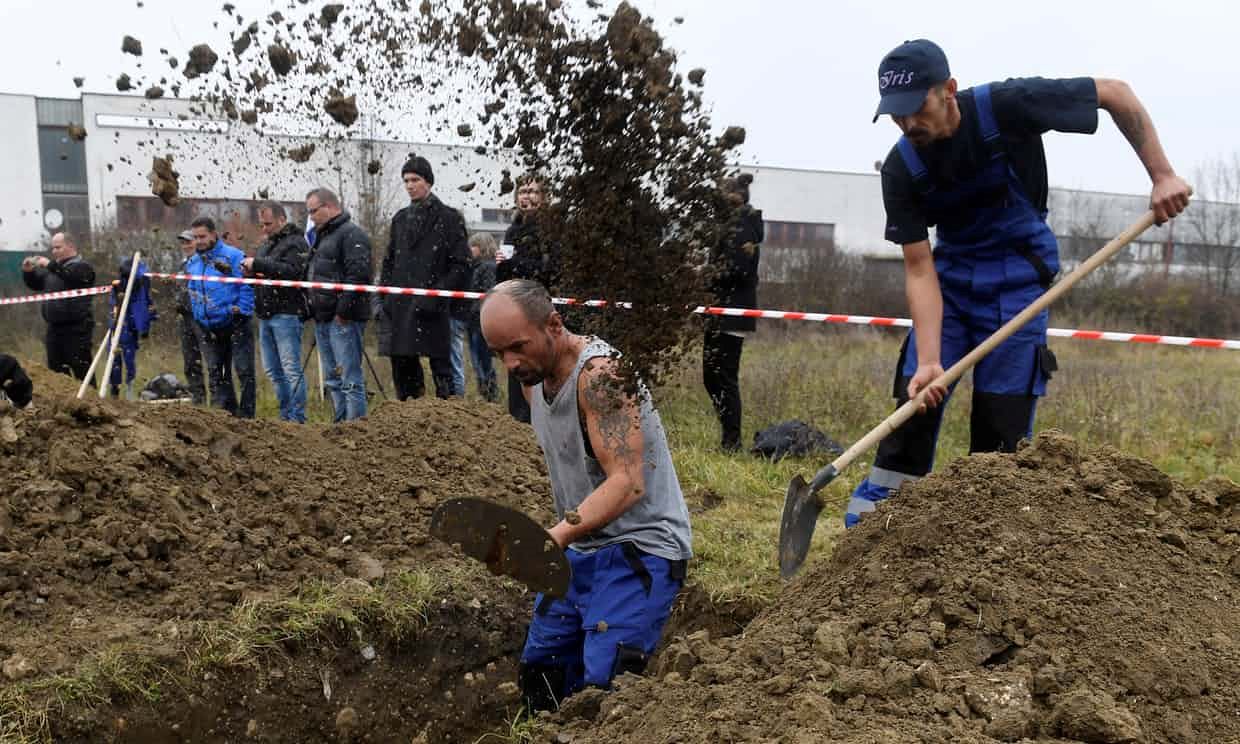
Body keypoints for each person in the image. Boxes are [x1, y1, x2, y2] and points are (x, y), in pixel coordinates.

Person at [846, 39, 1192, 527]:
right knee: (913, 408)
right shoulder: (902, 167)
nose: (908, 124)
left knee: (1000, 432)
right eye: (896, 115)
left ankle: (984, 544)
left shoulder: (1006, 106)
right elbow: (920, 268)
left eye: (916, 108)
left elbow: (1116, 92)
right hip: (951, 287)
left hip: (1016, 288)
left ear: (948, 90)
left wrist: (1162, 175)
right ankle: (875, 535)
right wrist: (928, 361)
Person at [479, 279, 692, 713]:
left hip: (641, 548)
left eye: (517, 346)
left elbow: (628, 482)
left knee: (604, 689)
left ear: (554, 324)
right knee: (543, 674)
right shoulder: (532, 378)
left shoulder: (601, 377)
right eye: (498, 353)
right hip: (583, 548)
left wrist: (555, 536)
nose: (510, 363)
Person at [380, 155, 472, 401]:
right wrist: (385, 296)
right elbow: (389, 261)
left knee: (444, 375)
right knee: (404, 373)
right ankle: (410, 421)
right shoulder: (399, 219)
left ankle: (449, 419)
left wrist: (438, 295)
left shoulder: (449, 218)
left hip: (434, 306)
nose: (410, 185)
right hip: (400, 305)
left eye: (415, 179)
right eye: (406, 180)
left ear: (428, 182)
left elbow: (461, 265)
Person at [703, 174, 763, 453]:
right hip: (720, 311)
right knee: (711, 376)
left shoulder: (742, 226)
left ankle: (732, 442)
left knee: (724, 377)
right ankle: (728, 436)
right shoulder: (728, 225)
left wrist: (706, 275)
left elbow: (739, 270)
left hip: (732, 312)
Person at [496, 173, 560, 422]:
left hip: (543, 307)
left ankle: (548, 420)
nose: (527, 197)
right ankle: (520, 420)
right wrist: (501, 264)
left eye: (533, 191)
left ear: (544, 197)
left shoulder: (552, 228)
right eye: (523, 191)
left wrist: (515, 263)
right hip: (516, 307)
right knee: (518, 365)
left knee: (543, 366)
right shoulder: (513, 230)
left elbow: (550, 268)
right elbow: (504, 275)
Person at [305, 187, 372, 422]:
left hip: (343, 319)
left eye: (314, 211)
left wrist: (343, 312)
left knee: (350, 379)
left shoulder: (352, 234)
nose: (311, 217)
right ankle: (341, 425)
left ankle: (356, 427)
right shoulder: (322, 237)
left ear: (330, 206)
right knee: (333, 379)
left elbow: (359, 275)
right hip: (323, 317)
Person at [243, 202, 310, 423]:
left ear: (282, 219)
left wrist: (259, 264)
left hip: (287, 313)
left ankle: (297, 418)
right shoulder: (266, 245)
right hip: (265, 313)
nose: (264, 229)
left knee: (290, 369)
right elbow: (265, 275)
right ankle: (285, 414)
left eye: (268, 224)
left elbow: (293, 273)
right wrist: (250, 274)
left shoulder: (296, 243)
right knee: (273, 370)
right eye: (262, 224)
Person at [186, 216, 257, 419]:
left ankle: (247, 418)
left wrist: (242, 309)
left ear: (214, 234)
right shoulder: (193, 261)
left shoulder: (233, 256)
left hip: (235, 322)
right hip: (208, 325)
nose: (199, 241)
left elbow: (247, 283)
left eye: (203, 236)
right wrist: (198, 313)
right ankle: (228, 416)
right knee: (218, 372)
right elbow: (191, 287)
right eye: (195, 237)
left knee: (244, 371)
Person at [21, 232, 95, 381]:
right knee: (56, 373)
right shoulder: (53, 271)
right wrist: (28, 272)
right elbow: (36, 284)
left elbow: (72, 277)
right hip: (54, 329)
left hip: (76, 329)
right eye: (52, 248)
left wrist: (50, 265)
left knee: (82, 370)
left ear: (71, 246)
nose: (54, 251)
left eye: (58, 247)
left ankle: (91, 401)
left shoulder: (82, 267)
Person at [107, 255, 155, 400]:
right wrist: (113, 323)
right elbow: (113, 305)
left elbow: (145, 304)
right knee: (113, 358)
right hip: (118, 325)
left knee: (129, 358)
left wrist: (145, 326)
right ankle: (114, 388)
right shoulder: (117, 285)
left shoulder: (142, 282)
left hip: (132, 327)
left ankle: (129, 385)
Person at [174, 229, 207, 405]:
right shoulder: (182, 264)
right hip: (184, 316)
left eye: (189, 241)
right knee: (190, 360)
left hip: (201, 316)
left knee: (210, 358)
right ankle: (198, 399)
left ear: (197, 242)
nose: (186, 245)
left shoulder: (204, 262)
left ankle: (219, 401)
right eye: (183, 242)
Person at [466, 232, 500, 402]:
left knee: (483, 360)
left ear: (482, 247)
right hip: (473, 320)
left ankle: (490, 394)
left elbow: (488, 293)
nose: (470, 249)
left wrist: (474, 309)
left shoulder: (487, 267)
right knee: (477, 360)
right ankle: (486, 392)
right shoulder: (476, 267)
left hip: (480, 320)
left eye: (474, 246)